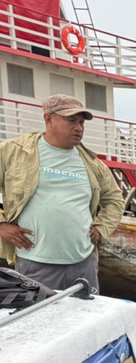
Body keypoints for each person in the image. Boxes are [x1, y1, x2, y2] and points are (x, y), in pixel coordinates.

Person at [0, 94, 122, 291]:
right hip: (36, 263)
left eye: (82, 122)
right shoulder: (13, 151)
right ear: (48, 119)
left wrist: (101, 228)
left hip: (84, 264)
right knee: (40, 320)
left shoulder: (91, 162)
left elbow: (114, 199)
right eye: (71, 120)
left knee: (86, 320)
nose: (79, 128)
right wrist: (1, 225)